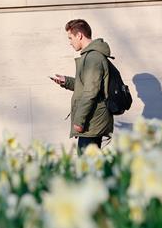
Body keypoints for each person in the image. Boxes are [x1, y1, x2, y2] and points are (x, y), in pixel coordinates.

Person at [49, 19, 114, 153]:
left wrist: (79, 121)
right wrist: (66, 81)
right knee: (91, 167)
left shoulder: (93, 58)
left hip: (92, 122)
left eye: (71, 38)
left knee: (87, 168)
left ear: (79, 35)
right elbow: (85, 85)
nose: (70, 42)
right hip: (92, 121)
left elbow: (90, 92)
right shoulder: (89, 56)